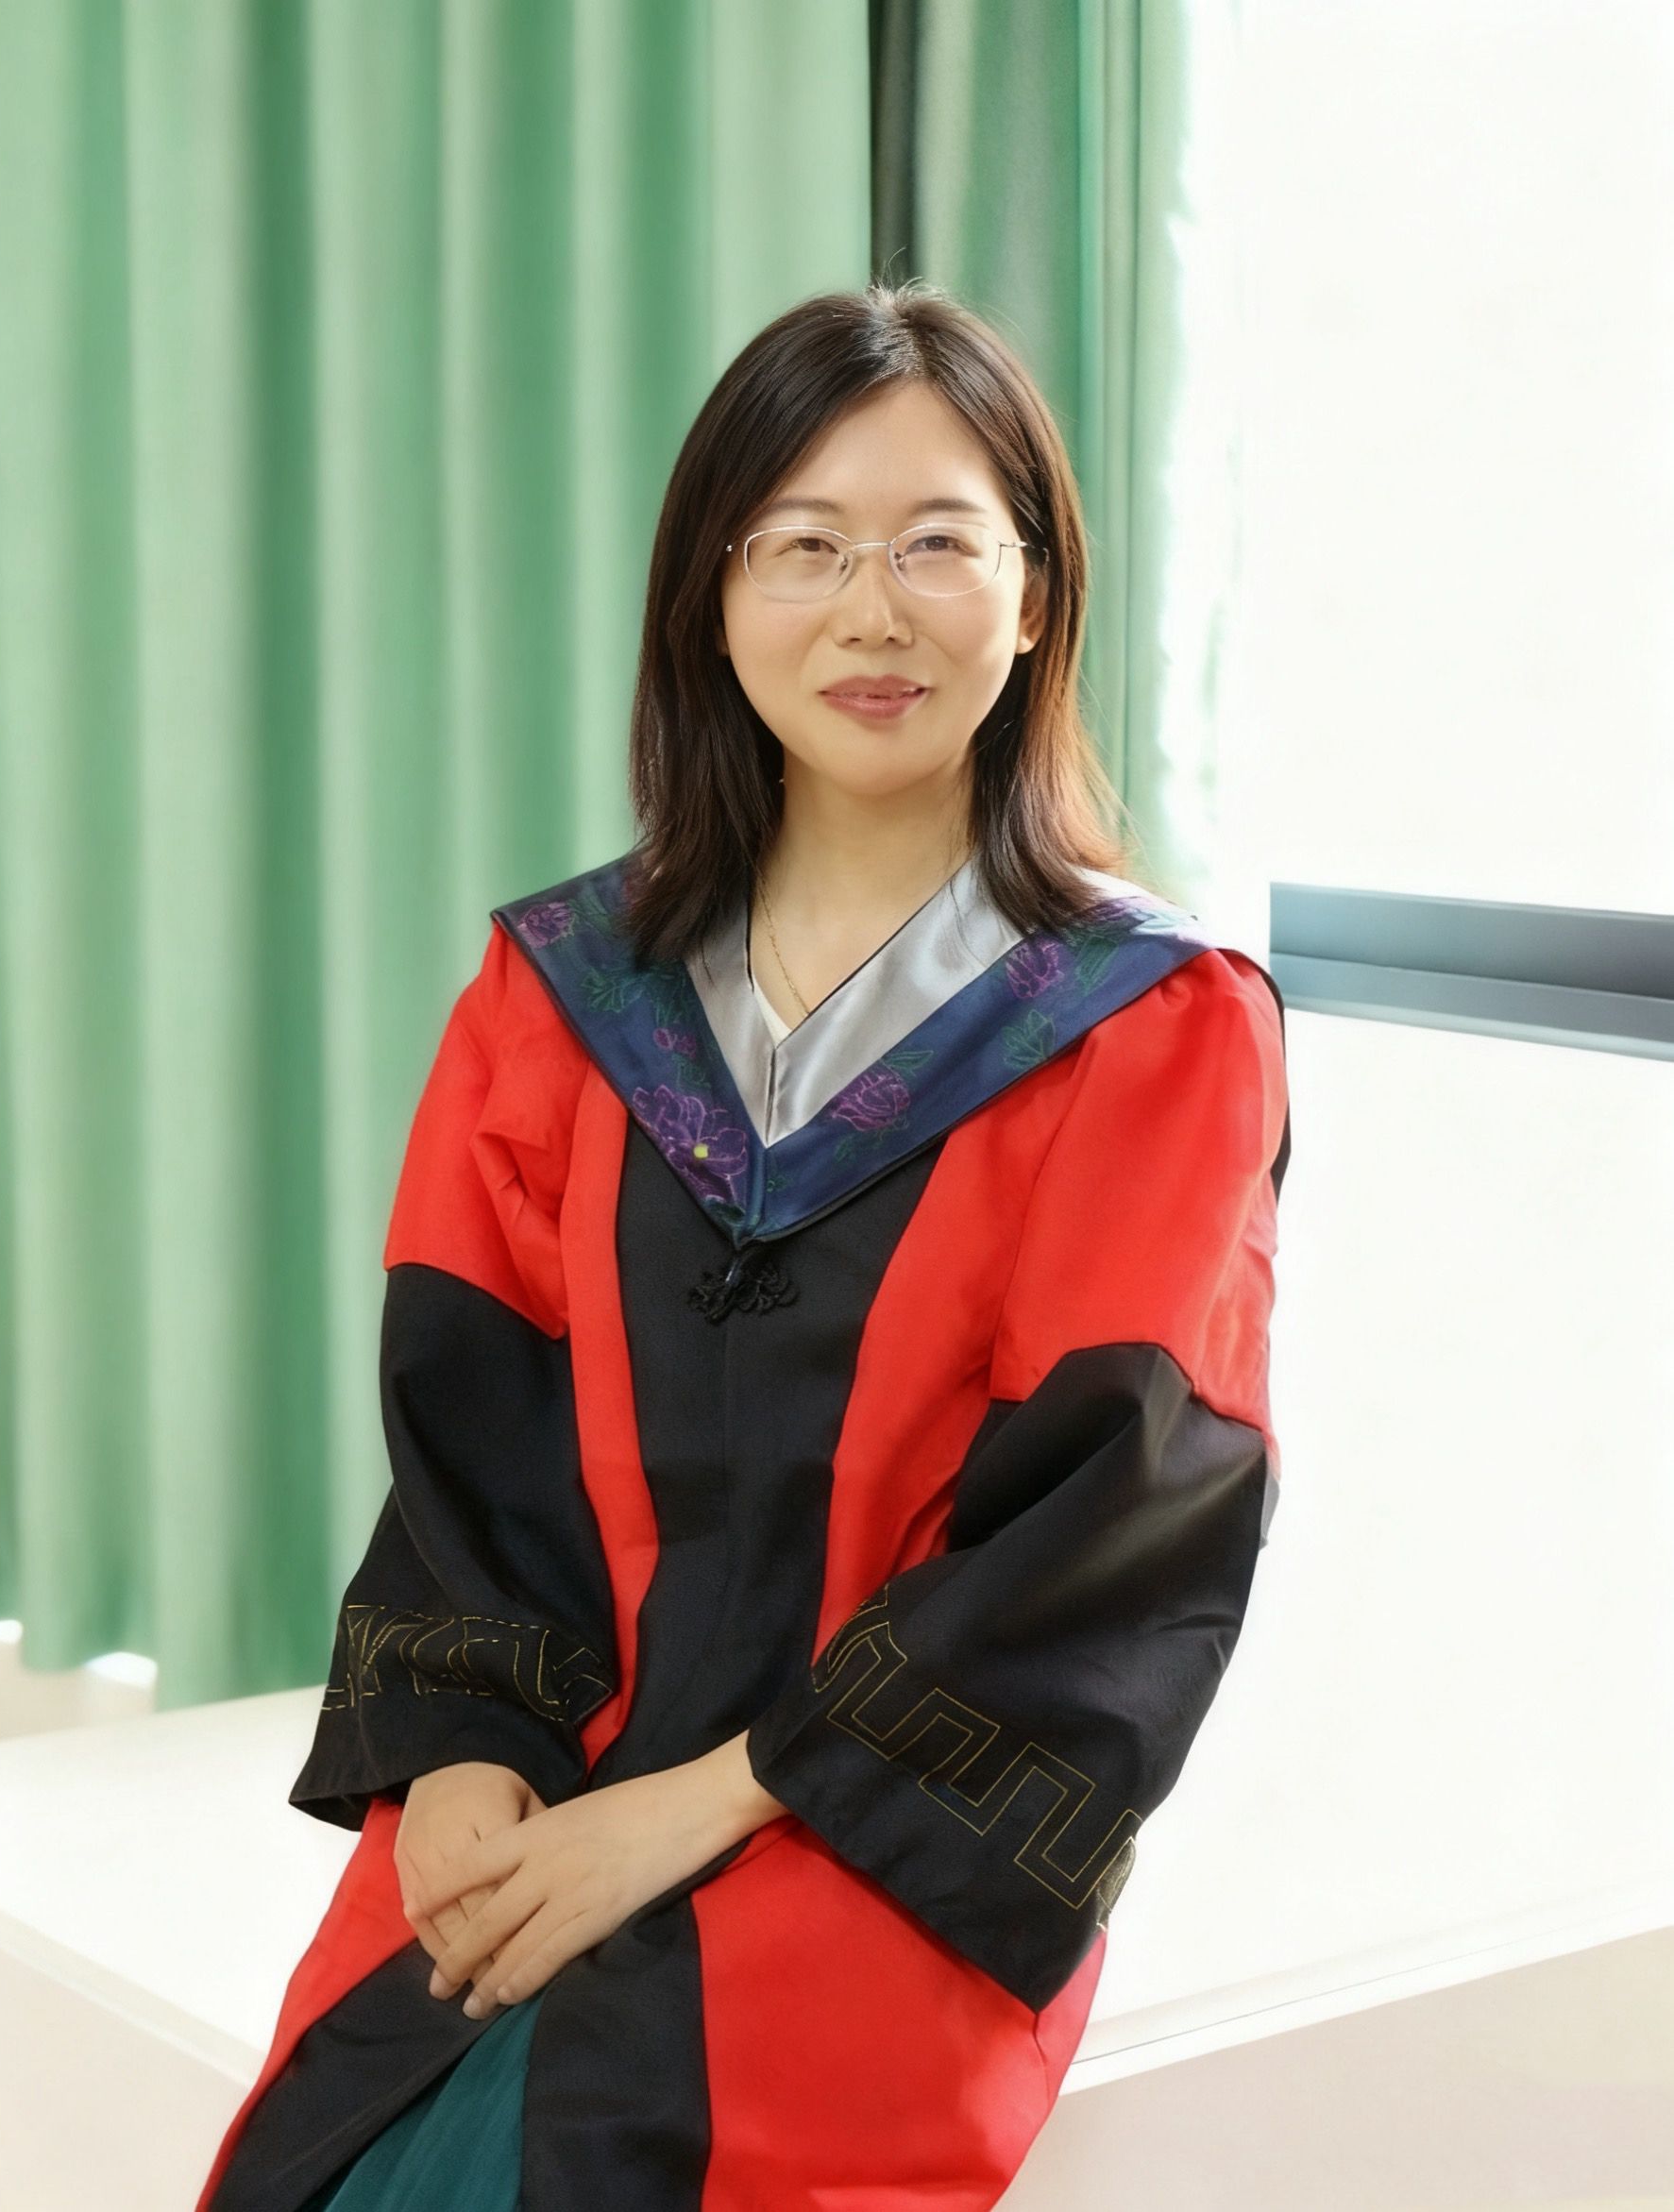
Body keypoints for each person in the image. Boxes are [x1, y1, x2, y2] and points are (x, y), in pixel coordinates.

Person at [194, 279, 1291, 2212]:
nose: (873, 610)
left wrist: (697, 1808)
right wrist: (458, 1754)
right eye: (804, 547)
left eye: (938, 543)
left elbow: (1108, 1523)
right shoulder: (562, 995)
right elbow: (475, 1428)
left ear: (1036, 595)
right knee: (336, 2158)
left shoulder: (1148, 1029)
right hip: (567, 1749)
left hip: (882, 1819)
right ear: (713, 596)